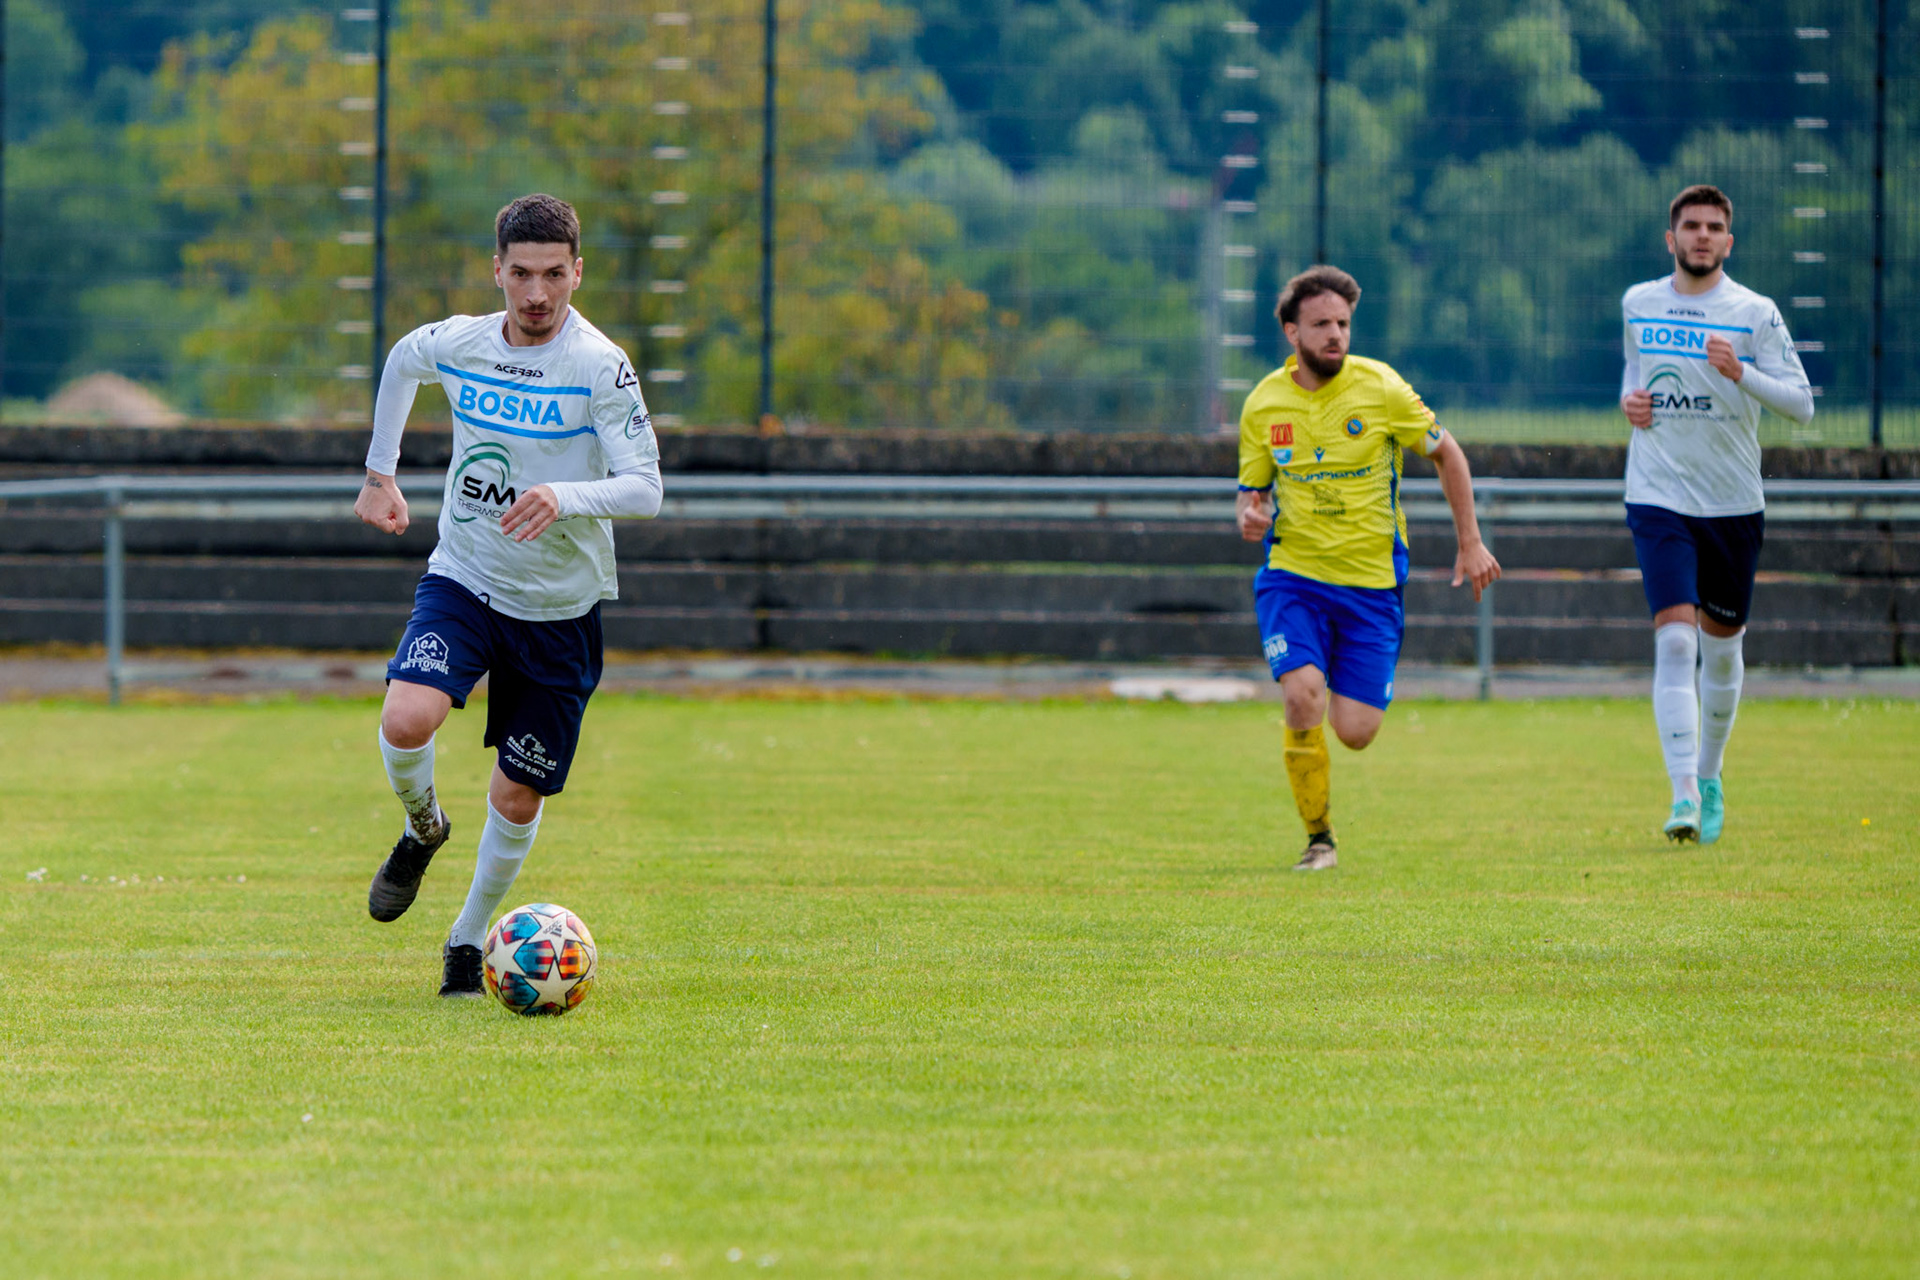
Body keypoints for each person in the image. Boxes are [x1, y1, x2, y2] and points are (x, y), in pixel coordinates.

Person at [352, 193, 664, 995]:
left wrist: (564, 496)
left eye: (553, 274)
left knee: (518, 795)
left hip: (559, 609)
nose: (536, 293)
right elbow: (403, 359)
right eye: (521, 273)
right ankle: (424, 829)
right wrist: (380, 472)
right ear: (496, 270)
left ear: (577, 272)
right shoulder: (463, 344)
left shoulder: (600, 365)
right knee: (404, 717)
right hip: (466, 576)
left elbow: (645, 488)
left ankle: (466, 938)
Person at [1236, 266, 1499, 870]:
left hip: (1372, 585)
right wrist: (1249, 515)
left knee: (1354, 731)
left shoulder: (1381, 388)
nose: (1336, 335)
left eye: (1343, 323)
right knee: (1302, 695)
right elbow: (1253, 493)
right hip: (1293, 576)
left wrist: (1470, 541)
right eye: (1321, 324)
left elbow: (1448, 453)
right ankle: (1319, 839)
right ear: (1291, 332)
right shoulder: (1263, 404)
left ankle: (1335, 676)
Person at [1619, 184, 1813, 844]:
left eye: (1713, 227)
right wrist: (1630, 402)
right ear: (1670, 238)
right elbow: (1634, 374)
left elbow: (1802, 405)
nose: (1702, 236)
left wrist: (1742, 374)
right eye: (1691, 226)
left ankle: (1708, 777)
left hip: (1732, 503)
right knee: (1676, 640)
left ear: (1729, 242)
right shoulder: (1639, 303)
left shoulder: (1755, 312)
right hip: (1657, 495)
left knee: (1722, 654)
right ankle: (1680, 794)